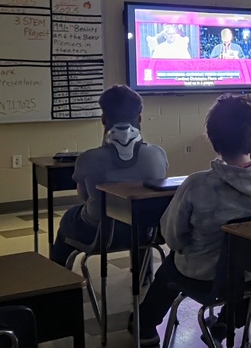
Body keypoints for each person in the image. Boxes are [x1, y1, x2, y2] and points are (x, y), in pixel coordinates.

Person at [137, 95, 251, 347]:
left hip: (203, 276)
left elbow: (173, 237)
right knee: (246, 258)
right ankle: (227, 323)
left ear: (212, 138)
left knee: (170, 267)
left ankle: (145, 327)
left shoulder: (195, 185)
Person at [49, 85, 169, 267]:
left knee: (69, 217)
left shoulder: (88, 158)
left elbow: (84, 196)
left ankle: (57, 281)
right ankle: (143, 275)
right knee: (140, 215)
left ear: (104, 118)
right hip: (145, 233)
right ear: (140, 117)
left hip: (98, 232)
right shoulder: (158, 155)